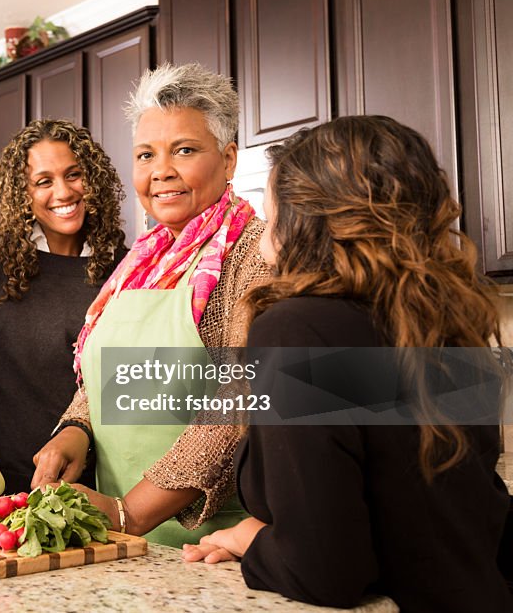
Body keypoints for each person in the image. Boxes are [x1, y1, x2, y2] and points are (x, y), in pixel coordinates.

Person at [181, 116, 513, 611]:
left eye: (272, 220)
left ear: (307, 222)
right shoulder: (450, 323)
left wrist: (253, 538)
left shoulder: (296, 331)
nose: (265, 239)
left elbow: (325, 572)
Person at [31, 63, 270, 546]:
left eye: (184, 150)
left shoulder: (256, 253)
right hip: (116, 531)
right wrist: (75, 428)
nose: (161, 171)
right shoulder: (141, 262)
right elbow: (111, 375)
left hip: (212, 542)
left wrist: (132, 511)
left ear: (228, 160)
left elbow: (241, 400)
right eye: (145, 155)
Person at [0, 119, 127, 492]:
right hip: (16, 485)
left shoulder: (129, 268)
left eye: (74, 174)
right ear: (24, 195)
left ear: (93, 180)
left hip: (111, 486)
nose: (63, 192)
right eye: (44, 181)